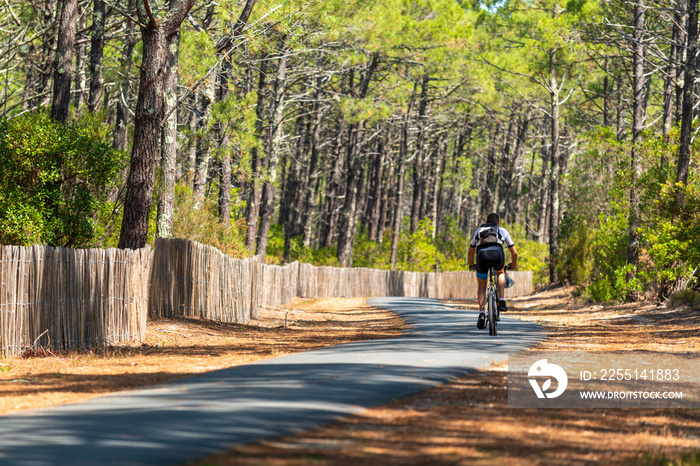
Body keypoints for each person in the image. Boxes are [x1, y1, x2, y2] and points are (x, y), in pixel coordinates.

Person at [467, 213, 518, 329]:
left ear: (486, 222)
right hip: (497, 255)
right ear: (498, 223)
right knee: (500, 272)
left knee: (481, 286)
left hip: (482, 256)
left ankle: (481, 313)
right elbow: (514, 253)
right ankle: (502, 300)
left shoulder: (479, 231)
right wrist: (513, 265)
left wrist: (471, 265)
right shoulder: (502, 231)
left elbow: (470, 252)